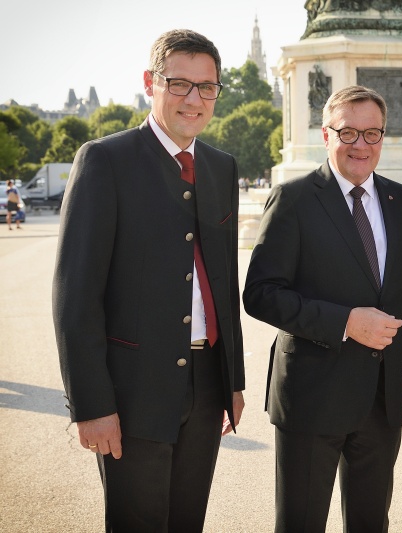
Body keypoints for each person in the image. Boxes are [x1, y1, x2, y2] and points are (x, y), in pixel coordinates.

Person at [52, 29, 245, 532]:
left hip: (206, 387)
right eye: (179, 83)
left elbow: (223, 284)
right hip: (132, 391)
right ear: (149, 82)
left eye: (207, 87)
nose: (194, 99)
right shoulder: (104, 160)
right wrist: (91, 405)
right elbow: (76, 296)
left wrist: (233, 381)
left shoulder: (221, 168)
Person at [243, 85, 402, 532]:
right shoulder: (292, 199)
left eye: (372, 134)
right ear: (326, 136)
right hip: (312, 397)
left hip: (382, 399)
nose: (361, 146)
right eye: (348, 133)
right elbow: (260, 293)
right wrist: (346, 322)